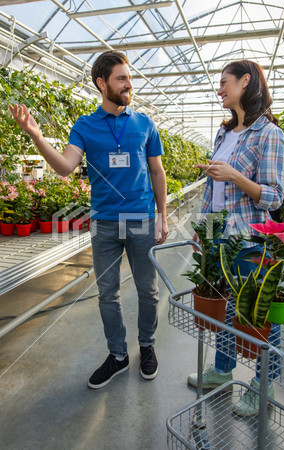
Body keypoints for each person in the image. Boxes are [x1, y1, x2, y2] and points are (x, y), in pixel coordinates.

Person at [9, 51, 168, 389]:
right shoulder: (85, 125)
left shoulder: (144, 124)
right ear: (102, 83)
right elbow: (66, 166)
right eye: (121, 78)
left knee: (148, 291)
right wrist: (36, 136)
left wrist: (162, 215)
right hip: (105, 224)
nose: (129, 84)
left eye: (129, 77)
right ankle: (118, 355)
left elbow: (157, 170)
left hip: (140, 219)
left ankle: (147, 346)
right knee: (107, 294)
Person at [187, 60, 284, 416]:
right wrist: (203, 232)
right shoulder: (223, 133)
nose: (219, 89)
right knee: (225, 312)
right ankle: (222, 369)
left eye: (224, 82)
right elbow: (210, 193)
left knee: (255, 315)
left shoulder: (269, 134)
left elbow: (275, 197)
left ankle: (265, 382)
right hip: (217, 237)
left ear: (246, 82)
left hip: (246, 238)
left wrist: (234, 176)